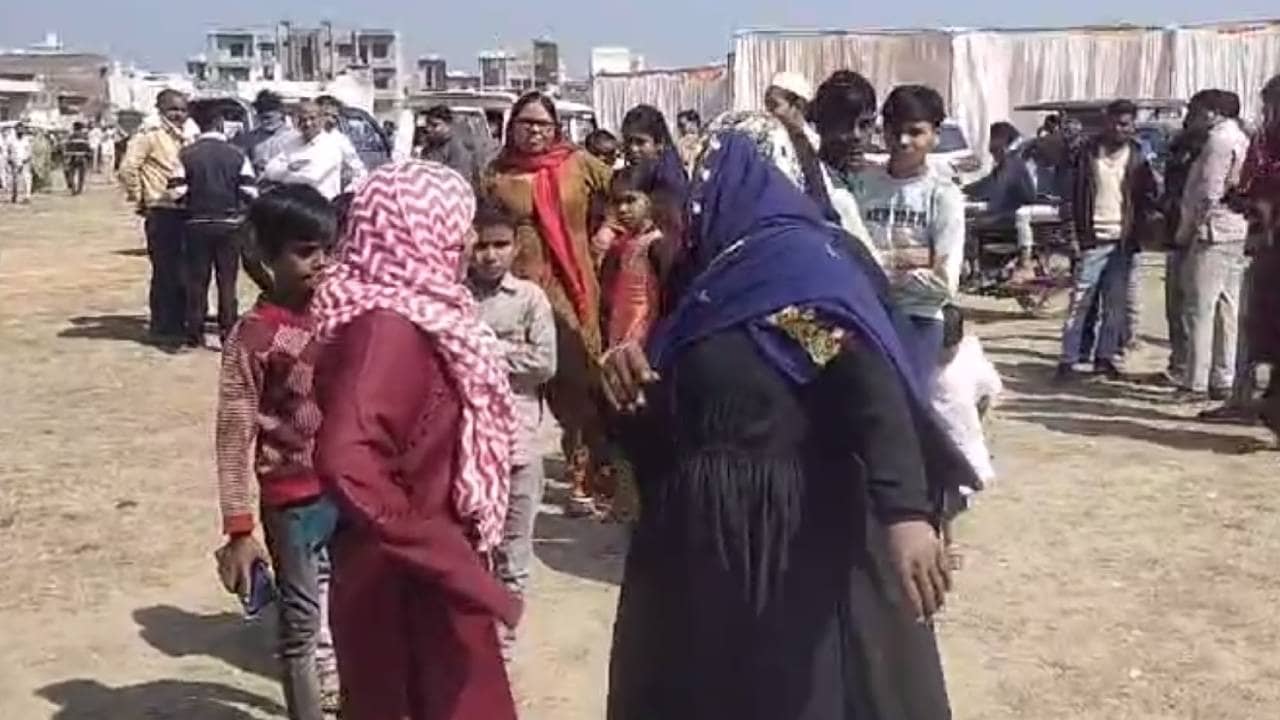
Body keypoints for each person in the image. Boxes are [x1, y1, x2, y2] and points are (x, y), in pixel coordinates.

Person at [602, 127, 972, 720]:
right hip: (707, 544)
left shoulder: (792, 287)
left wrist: (905, 513)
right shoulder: (711, 282)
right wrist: (630, 386)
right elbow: (684, 408)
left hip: (788, 541)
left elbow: (865, 385)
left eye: (677, 201)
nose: (667, 220)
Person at [311, 161, 521, 720]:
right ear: (419, 232)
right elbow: (348, 456)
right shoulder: (387, 329)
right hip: (403, 580)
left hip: (419, 571)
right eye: (459, 226)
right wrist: (442, 554)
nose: (468, 240)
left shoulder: (422, 317)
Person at [214, 185, 341, 720]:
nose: (321, 263)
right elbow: (234, 432)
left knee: (352, 611)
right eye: (305, 252)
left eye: (327, 249)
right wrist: (239, 528)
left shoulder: (340, 314)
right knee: (301, 627)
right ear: (267, 255)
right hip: (293, 500)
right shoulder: (254, 336)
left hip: (350, 490)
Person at [483, 92, 613, 517]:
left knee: (579, 382)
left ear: (556, 128)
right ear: (512, 127)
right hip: (517, 291)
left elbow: (624, 191)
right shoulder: (497, 172)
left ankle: (584, 476)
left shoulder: (579, 164)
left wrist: (609, 229)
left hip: (572, 290)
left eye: (542, 124)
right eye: (526, 123)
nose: (534, 131)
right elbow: (481, 226)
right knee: (517, 383)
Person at [465, 199, 557, 659]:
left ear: (516, 246)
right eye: (481, 245)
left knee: (515, 544)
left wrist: (484, 351)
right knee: (473, 541)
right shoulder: (454, 298)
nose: (490, 255)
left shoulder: (530, 298)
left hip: (519, 440)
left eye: (500, 245)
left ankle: (504, 633)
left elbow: (543, 363)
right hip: (467, 442)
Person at [854, 85, 966, 384]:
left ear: (935, 135)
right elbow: (849, 256)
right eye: (895, 131)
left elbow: (945, 283)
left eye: (915, 132)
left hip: (920, 320)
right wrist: (914, 260)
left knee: (909, 402)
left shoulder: (944, 195)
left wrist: (877, 265)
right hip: (866, 316)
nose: (903, 141)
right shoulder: (862, 186)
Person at [1055, 99, 1158, 382]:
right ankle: (1068, 360)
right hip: (1092, 240)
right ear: (1105, 122)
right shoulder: (1086, 153)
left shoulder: (1138, 157)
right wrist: (1072, 236)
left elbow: (1148, 198)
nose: (1119, 129)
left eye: (1125, 124)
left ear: (1133, 126)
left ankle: (1105, 358)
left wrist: (1144, 230)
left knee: (1115, 306)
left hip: (1122, 243)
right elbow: (1070, 197)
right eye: (1114, 123)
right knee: (1080, 302)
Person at [1177, 89, 1250, 400]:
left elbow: (1208, 193)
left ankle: (1195, 381)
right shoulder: (1242, 138)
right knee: (1227, 309)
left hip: (1213, 231)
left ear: (1212, 112)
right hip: (1237, 230)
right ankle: (1223, 377)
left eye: (1197, 111)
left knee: (1200, 308)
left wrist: (1189, 229)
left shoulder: (1218, 141)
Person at [169, 102, 259, 348]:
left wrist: (192, 203)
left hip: (196, 224)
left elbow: (176, 191)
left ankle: (194, 333)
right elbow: (250, 191)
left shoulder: (186, 154)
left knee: (197, 281)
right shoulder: (237, 154)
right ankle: (228, 332)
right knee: (227, 282)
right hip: (230, 225)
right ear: (220, 124)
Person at [119, 89, 190, 342]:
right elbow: (128, 169)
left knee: (183, 270)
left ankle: (180, 321)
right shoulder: (149, 135)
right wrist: (141, 198)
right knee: (165, 271)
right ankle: (162, 325)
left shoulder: (186, 135)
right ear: (160, 109)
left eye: (182, 110)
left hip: (185, 210)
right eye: (173, 109)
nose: (178, 114)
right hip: (161, 208)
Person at [932, 304, 1002, 494]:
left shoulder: (968, 359)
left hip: (953, 453)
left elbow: (988, 394)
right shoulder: (969, 359)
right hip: (957, 457)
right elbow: (989, 393)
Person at [1160, 121, 1209, 385]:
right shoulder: (1178, 155)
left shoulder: (1208, 156)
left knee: (1193, 306)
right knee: (1175, 306)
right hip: (1175, 237)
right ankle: (1179, 362)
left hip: (1196, 238)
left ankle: (1190, 367)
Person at [600, 164, 666, 350]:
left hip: (642, 338)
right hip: (619, 332)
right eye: (617, 202)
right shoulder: (624, 243)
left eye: (630, 201)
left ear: (649, 201)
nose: (622, 209)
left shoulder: (655, 245)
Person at [966, 121, 1039, 276]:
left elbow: (997, 188)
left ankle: (976, 269)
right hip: (1013, 207)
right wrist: (964, 190)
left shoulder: (1012, 162)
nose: (992, 155)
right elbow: (988, 182)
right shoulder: (1011, 161)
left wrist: (983, 203)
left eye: (993, 150)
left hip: (1016, 210)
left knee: (970, 225)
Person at [263, 100, 367, 202]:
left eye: (312, 118)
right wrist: (289, 167)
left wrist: (347, 194)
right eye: (302, 120)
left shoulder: (333, 143)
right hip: (294, 204)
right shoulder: (291, 143)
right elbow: (269, 171)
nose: (307, 124)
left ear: (321, 120)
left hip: (323, 205)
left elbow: (312, 176)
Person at [620, 104, 689, 198]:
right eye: (628, 141)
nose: (633, 148)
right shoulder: (646, 169)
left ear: (659, 143)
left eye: (640, 142)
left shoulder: (668, 179)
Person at [235, 90, 294, 175]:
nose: (265, 122)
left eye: (268, 118)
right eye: (261, 118)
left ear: (280, 114)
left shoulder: (293, 136)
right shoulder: (250, 138)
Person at [419, 104, 480, 186]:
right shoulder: (429, 146)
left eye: (435, 125)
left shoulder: (457, 147)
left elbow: (458, 178)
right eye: (428, 124)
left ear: (448, 124)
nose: (429, 129)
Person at [5, 124, 34, 203]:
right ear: (15, 130)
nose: (20, 131)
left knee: (27, 178)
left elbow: (29, 150)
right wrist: (10, 159)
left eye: (21, 129)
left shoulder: (26, 139)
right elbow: (7, 150)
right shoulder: (11, 139)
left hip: (25, 161)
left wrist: (26, 159)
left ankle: (27, 196)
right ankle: (15, 195)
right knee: (15, 180)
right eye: (18, 129)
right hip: (14, 161)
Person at [62, 123, 94, 195]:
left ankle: (73, 188)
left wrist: (66, 156)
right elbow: (88, 148)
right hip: (82, 158)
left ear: (74, 128)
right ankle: (79, 189)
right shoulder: (85, 137)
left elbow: (67, 147)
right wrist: (89, 157)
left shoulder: (71, 136)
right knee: (81, 175)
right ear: (81, 128)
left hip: (72, 157)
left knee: (71, 173)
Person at [30, 128, 52, 193]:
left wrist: (48, 159)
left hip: (43, 159)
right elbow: (32, 151)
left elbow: (48, 151)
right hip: (37, 159)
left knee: (43, 174)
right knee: (36, 173)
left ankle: (41, 187)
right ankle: (35, 187)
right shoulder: (34, 141)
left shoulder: (46, 141)